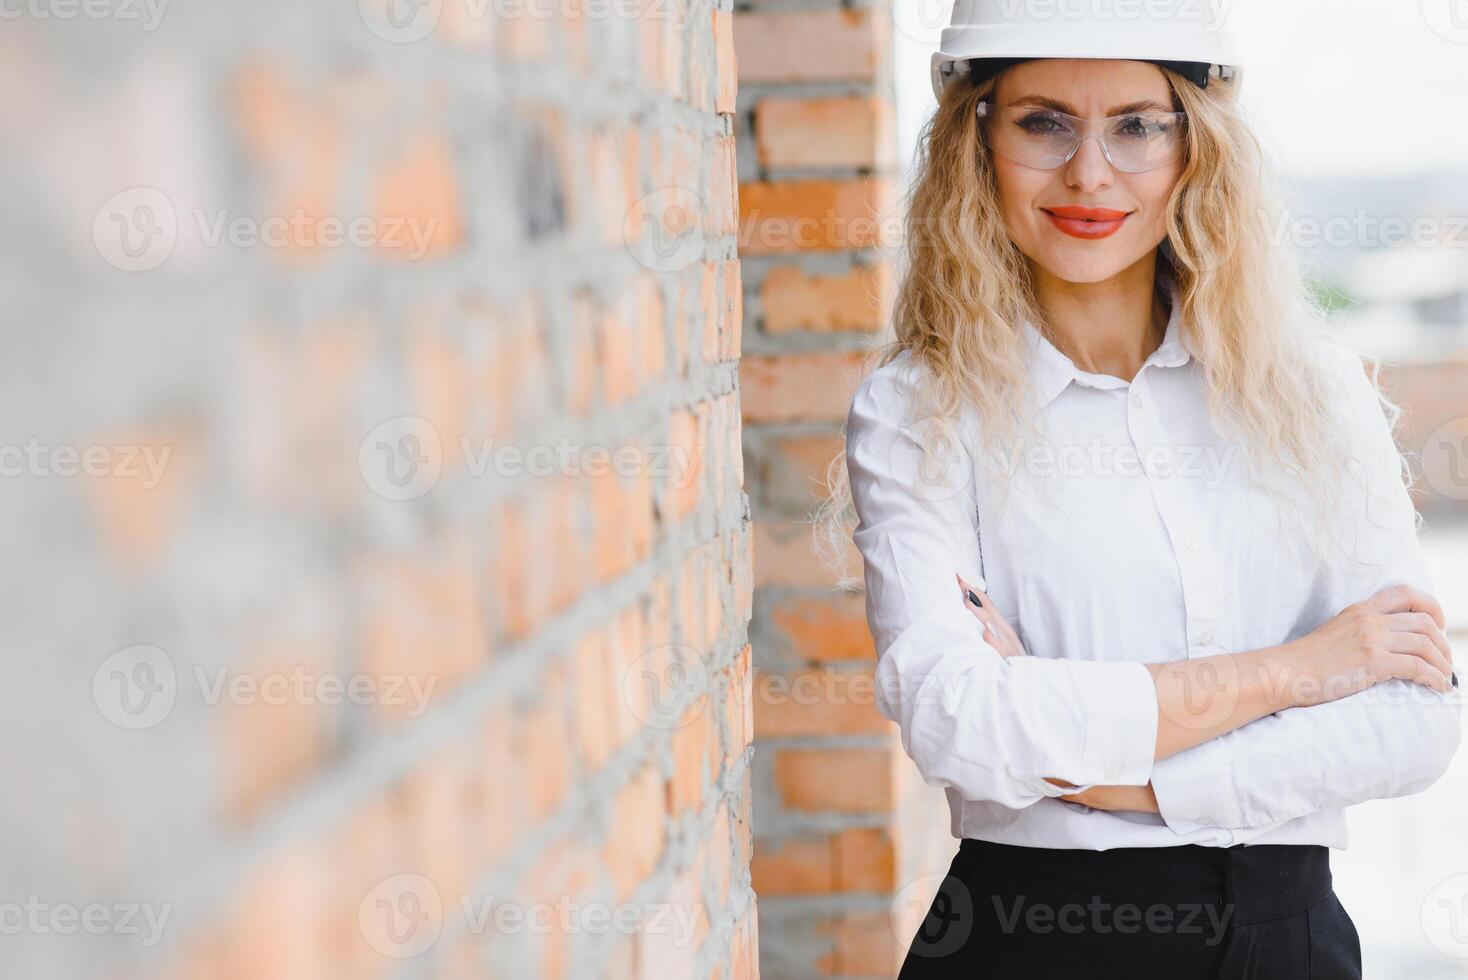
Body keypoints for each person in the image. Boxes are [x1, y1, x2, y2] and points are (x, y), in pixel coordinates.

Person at [815, 5, 1463, 977]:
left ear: (1194, 146)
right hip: (1032, 938)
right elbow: (960, 716)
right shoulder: (922, 410)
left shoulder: (1316, 390)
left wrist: (1117, 781)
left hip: (1291, 941)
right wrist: (1303, 667)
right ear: (976, 139)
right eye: (1042, 121)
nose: (1088, 170)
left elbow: (1414, 723)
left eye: (1134, 123)